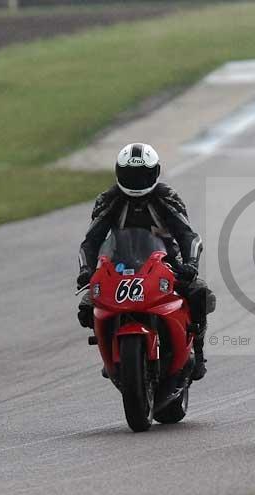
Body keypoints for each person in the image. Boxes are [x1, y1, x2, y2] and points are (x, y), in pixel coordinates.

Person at [76, 143, 215, 380]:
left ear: (155, 172)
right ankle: (109, 349)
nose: (137, 181)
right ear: (119, 173)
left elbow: (188, 235)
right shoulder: (109, 199)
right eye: (130, 175)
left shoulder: (166, 197)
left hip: (166, 263)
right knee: (88, 306)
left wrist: (190, 265)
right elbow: (91, 241)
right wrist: (86, 271)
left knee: (200, 293)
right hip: (118, 265)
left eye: (142, 175)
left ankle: (198, 352)